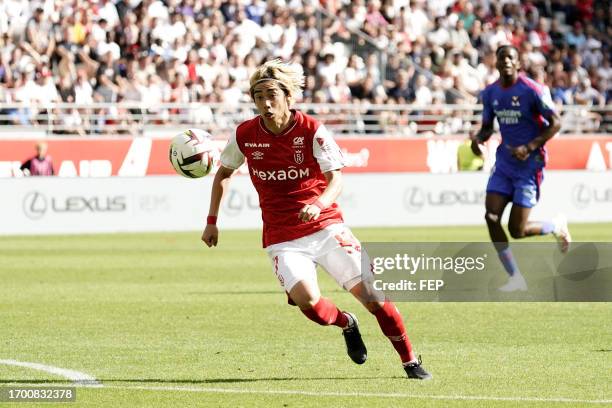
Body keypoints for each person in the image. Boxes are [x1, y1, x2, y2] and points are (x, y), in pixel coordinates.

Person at [202, 59, 431, 379]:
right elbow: (223, 173)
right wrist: (212, 220)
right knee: (309, 303)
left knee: (374, 296)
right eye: (258, 97)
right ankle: (346, 323)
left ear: (287, 96)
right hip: (282, 236)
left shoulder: (311, 130)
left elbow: (336, 179)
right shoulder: (244, 134)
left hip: (326, 227)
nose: (265, 103)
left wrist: (319, 202)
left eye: (271, 95)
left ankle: (410, 361)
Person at [471, 45, 570, 292]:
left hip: (530, 165)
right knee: (491, 216)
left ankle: (555, 226)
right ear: (496, 63)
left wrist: (530, 146)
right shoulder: (490, 93)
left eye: (510, 58)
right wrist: (477, 139)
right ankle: (515, 278)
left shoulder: (532, 90)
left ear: (517, 64)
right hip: (504, 163)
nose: (506, 61)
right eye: (502, 58)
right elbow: (486, 127)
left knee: (517, 230)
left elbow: (555, 123)